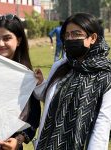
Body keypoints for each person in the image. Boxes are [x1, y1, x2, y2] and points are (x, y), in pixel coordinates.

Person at [34, 12, 111, 150]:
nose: (70, 39)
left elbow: (102, 123)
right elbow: (51, 99)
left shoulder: (105, 75)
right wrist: (40, 84)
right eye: (67, 35)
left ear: (92, 38)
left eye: (76, 34)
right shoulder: (60, 66)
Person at [0, 13, 41, 150]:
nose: (0, 44)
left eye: (7, 38)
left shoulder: (27, 78)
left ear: (19, 40)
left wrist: (19, 140)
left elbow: (33, 117)